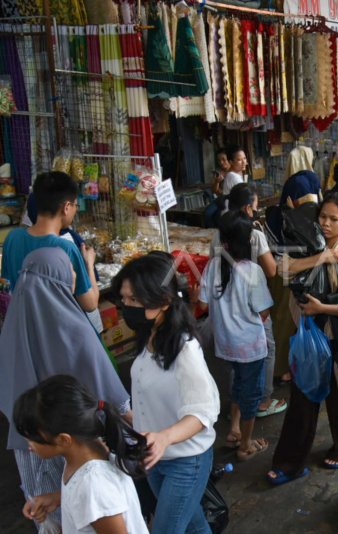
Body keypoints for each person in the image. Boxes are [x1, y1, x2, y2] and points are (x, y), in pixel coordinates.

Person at [0, 247, 131, 532]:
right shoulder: (76, 326)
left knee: (58, 519)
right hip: (81, 446)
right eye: (69, 270)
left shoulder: (12, 327)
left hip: (34, 447)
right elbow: (112, 392)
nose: (74, 275)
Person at [111, 252, 220, 533]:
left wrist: (164, 437)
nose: (125, 306)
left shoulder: (185, 350)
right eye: (123, 298)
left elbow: (202, 413)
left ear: (163, 302)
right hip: (154, 457)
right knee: (194, 524)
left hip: (186, 460)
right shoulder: (149, 336)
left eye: (133, 300)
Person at [267, 192, 338, 484]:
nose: (327, 224)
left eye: (334, 219)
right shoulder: (305, 246)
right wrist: (320, 257)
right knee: (302, 399)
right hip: (306, 340)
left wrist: (323, 308)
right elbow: (281, 269)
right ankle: (290, 463)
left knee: (337, 398)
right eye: (323, 217)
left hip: (334, 339)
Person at [13, 375, 148, 534]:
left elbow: (95, 498)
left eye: (32, 439)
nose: (28, 446)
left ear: (64, 440)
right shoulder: (89, 450)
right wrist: (58, 498)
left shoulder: (93, 485)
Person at [200, 212, 272, 461]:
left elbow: (201, 302)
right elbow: (263, 312)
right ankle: (245, 445)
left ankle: (233, 430)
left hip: (225, 345)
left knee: (238, 384)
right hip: (250, 347)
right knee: (251, 394)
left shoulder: (212, 267)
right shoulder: (252, 271)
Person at [1, 171, 98, 314]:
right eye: (75, 206)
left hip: (21, 325)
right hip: (54, 331)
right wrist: (89, 264)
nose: (75, 211)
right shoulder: (66, 248)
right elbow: (90, 304)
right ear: (66, 207)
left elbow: (6, 285)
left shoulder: (12, 238)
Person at [266, 170, 323, 385]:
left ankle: (293, 365)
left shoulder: (315, 216)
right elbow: (280, 263)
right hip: (283, 280)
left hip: (305, 277)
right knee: (283, 322)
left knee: (297, 323)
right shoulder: (276, 217)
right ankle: (280, 369)